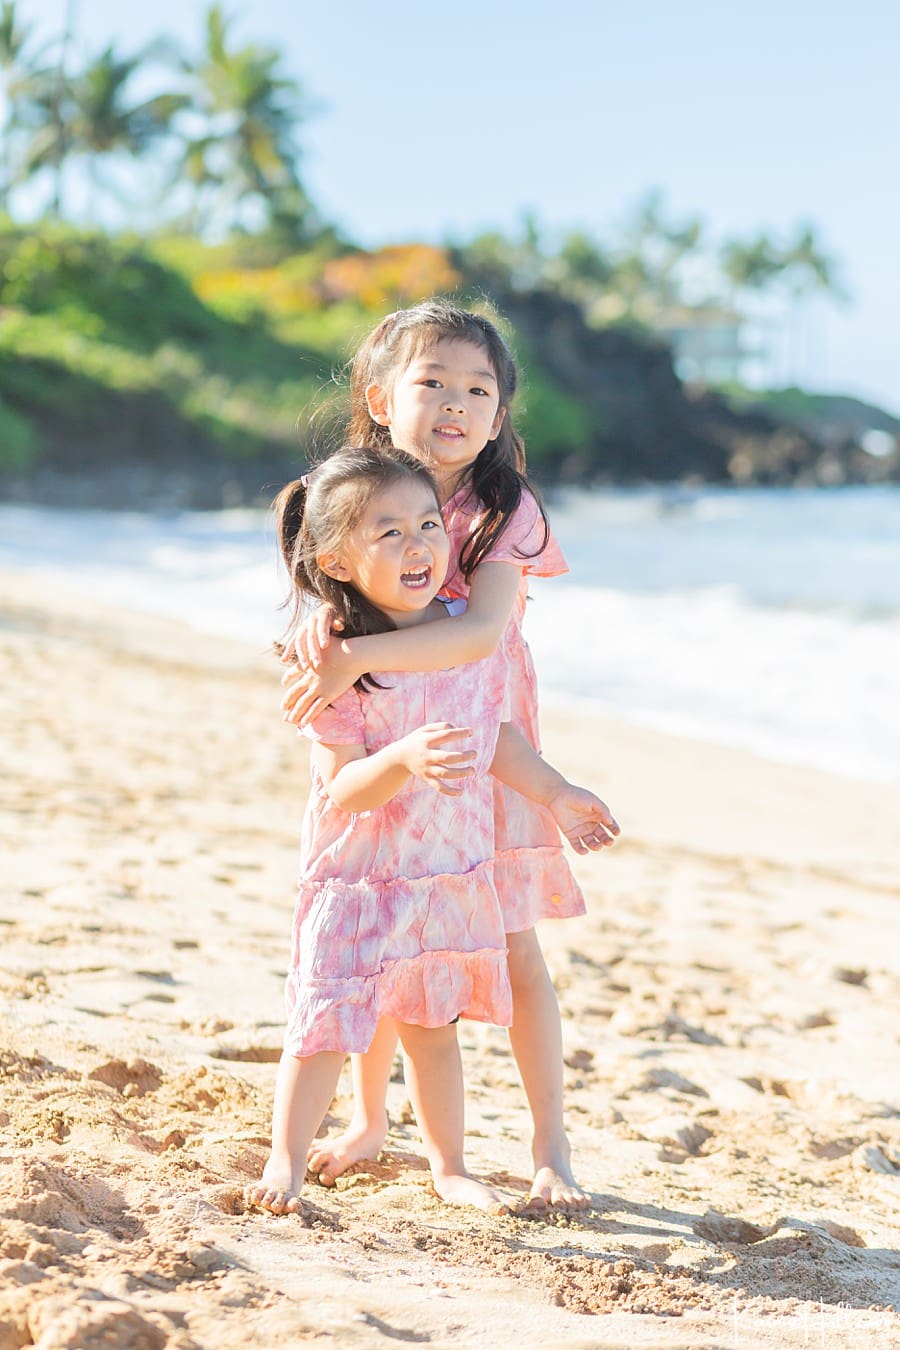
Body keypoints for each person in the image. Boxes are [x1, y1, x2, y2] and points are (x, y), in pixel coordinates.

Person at [279, 301, 619, 1211]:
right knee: (390, 918)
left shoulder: (504, 505)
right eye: (433, 382)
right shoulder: (348, 486)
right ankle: (369, 1120)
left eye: (479, 389)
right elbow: (329, 575)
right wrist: (327, 626)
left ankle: (551, 1147)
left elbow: (475, 636)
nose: (457, 404)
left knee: (510, 937)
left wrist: (355, 653)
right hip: (392, 729)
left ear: (501, 414)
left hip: (480, 722)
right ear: (380, 397)